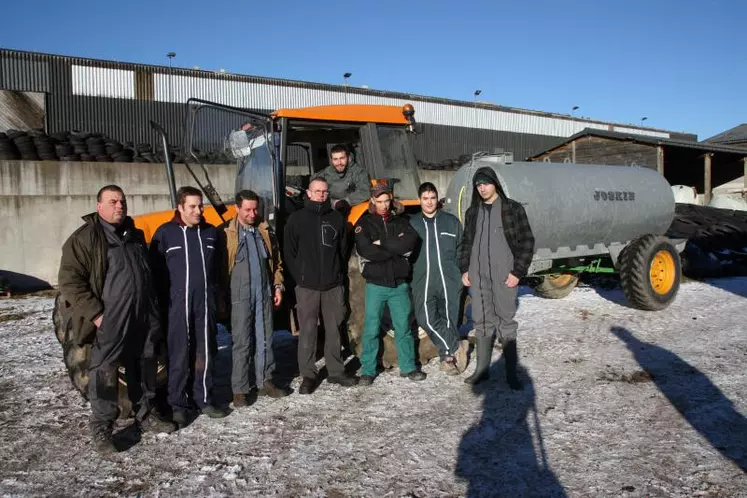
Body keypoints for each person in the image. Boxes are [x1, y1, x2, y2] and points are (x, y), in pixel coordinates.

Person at [58, 185, 176, 454]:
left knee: (146, 365)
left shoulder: (134, 235)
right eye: (112, 202)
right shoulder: (86, 239)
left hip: (143, 317)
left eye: (122, 201)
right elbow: (69, 281)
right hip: (111, 318)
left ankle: (146, 414)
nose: (119, 206)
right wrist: (96, 314)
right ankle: (102, 426)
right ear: (99, 206)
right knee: (104, 370)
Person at [150, 186, 228, 425]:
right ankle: (178, 404)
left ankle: (203, 399)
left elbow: (216, 271)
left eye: (200, 205)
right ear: (180, 207)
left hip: (205, 303)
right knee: (180, 353)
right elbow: (156, 273)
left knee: (205, 352)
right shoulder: (165, 234)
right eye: (192, 206)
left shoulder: (210, 234)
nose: (198, 210)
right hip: (177, 305)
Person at [459, 167, 535, 388]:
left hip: (505, 276)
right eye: (478, 185)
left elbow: (527, 241)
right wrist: (465, 268)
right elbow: (466, 243)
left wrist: (517, 272)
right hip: (478, 275)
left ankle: (511, 373)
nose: (482, 188)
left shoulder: (512, 209)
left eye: (486, 183)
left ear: (495, 184)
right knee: (481, 322)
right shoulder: (472, 213)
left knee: (506, 323)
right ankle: (482, 370)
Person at [283, 177, 359, 394]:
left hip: (332, 285)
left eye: (325, 191)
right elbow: (290, 252)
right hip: (307, 286)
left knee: (334, 328)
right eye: (317, 191)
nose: (321, 195)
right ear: (308, 192)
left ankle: (336, 371)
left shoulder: (336, 219)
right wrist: (302, 276)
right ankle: (308, 374)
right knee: (307, 331)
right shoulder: (296, 219)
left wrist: (335, 272)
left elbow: (342, 251)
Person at [354, 180, 425, 385]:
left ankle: (409, 367)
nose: (384, 205)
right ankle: (368, 369)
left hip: (399, 284)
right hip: (376, 285)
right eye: (380, 201)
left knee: (403, 327)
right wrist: (394, 249)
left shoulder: (402, 222)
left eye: (387, 200)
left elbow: (408, 243)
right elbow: (365, 250)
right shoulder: (364, 224)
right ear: (373, 201)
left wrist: (382, 244)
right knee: (371, 327)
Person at [222, 190, 290, 406]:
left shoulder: (264, 231)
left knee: (266, 338)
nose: (253, 213)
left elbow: (276, 262)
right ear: (237, 208)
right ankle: (240, 389)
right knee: (242, 342)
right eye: (248, 209)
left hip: (264, 293)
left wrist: (277, 286)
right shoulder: (227, 233)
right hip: (239, 296)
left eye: (255, 209)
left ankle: (265, 381)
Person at [409, 182, 469, 375]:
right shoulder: (412, 223)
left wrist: (463, 272)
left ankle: (447, 358)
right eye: (425, 199)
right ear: (420, 200)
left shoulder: (451, 222)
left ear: (437, 199)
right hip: (423, 280)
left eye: (432, 198)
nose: (429, 202)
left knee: (449, 320)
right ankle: (456, 346)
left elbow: (462, 249)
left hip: (449, 279)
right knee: (425, 318)